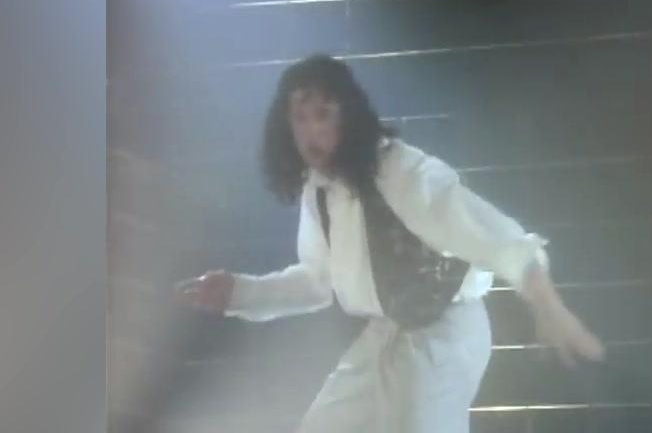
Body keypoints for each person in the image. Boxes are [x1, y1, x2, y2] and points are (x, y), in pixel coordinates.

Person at [178, 54, 604, 433]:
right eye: (300, 119)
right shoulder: (319, 190)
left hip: (444, 334)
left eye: (322, 115)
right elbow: (318, 281)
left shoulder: (401, 171)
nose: (311, 132)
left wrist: (549, 307)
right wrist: (241, 292)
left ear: (348, 115)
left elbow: (495, 237)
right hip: (387, 336)